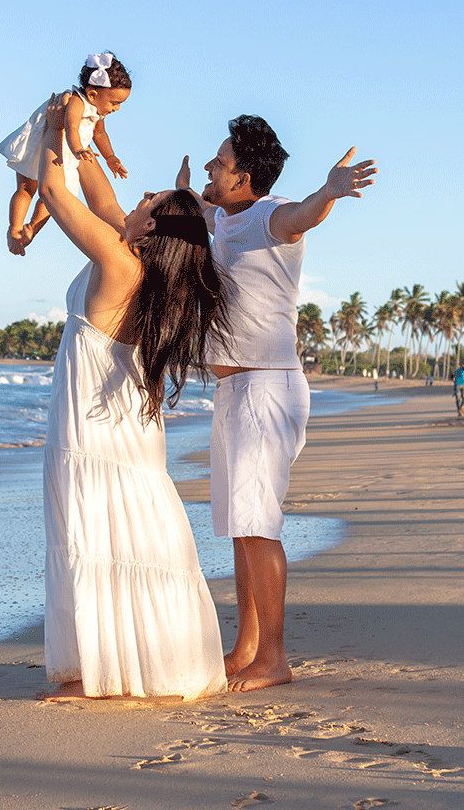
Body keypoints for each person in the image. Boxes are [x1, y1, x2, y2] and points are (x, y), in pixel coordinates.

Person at [37, 95, 229, 701]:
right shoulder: (148, 273)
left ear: (150, 226)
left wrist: (49, 128)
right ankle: (119, 666)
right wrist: (84, 136)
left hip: (92, 427)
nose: (136, 199)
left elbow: (54, 193)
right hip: (123, 425)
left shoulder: (119, 262)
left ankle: (103, 675)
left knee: (92, 535)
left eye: (146, 201)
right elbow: (97, 196)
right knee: (126, 534)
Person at [177, 115, 378, 692]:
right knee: (241, 525)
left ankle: (275, 656)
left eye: (220, 163)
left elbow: (300, 218)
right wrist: (189, 188)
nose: (213, 168)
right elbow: (199, 204)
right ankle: (246, 646)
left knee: (259, 524)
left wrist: (331, 191)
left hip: (267, 388)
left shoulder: (270, 215)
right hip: (235, 390)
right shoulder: (226, 217)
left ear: (244, 177)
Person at [0, 53, 131, 256]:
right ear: (93, 94)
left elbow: (100, 133)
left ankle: (32, 228)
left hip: (64, 149)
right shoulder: (76, 101)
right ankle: (14, 229)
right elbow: (71, 125)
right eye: (114, 102)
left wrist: (110, 157)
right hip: (45, 143)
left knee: (56, 197)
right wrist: (78, 148)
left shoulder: (98, 110)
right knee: (26, 189)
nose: (117, 108)